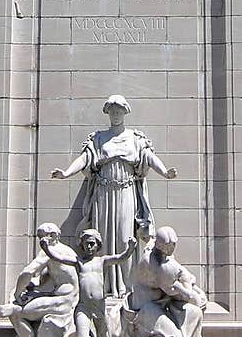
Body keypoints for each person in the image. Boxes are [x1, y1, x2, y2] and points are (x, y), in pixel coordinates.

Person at [50, 94, 178, 296]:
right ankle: (104, 286)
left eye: (119, 110)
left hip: (126, 194)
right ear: (108, 113)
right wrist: (66, 173)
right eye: (112, 111)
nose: (116, 114)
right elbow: (85, 159)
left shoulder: (135, 138)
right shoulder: (99, 138)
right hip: (103, 195)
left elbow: (149, 158)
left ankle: (127, 287)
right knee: (103, 239)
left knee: (124, 236)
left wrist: (165, 172)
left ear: (125, 112)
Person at [122, 223, 208, 337]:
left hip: (161, 305)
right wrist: (194, 294)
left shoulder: (162, 256)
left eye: (173, 246)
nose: (172, 249)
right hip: (144, 310)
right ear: (163, 246)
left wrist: (196, 290)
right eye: (170, 247)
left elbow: (181, 273)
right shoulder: (152, 264)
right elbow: (183, 293)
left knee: (195, 313)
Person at [0, 222, 79, 337]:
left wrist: (17, 294)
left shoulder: (49, 250)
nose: (40, 240)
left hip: (63, 301)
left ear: (52, 236)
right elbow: (46, 279)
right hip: (68, 298)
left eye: (41, 236)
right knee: (20, 309)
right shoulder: (68, 251)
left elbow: (27, 272)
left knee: (16, 313)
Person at [41, 228, 136, 337]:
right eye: (86, 244)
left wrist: (130, 248)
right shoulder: (78, 262)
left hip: (99, 306)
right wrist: (46, 248)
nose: (89, 247)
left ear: (98, 245)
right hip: (83, 307)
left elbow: (121, 258)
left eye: (92, 243)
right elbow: (59, 257)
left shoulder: (102, 261)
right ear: (82, 245)